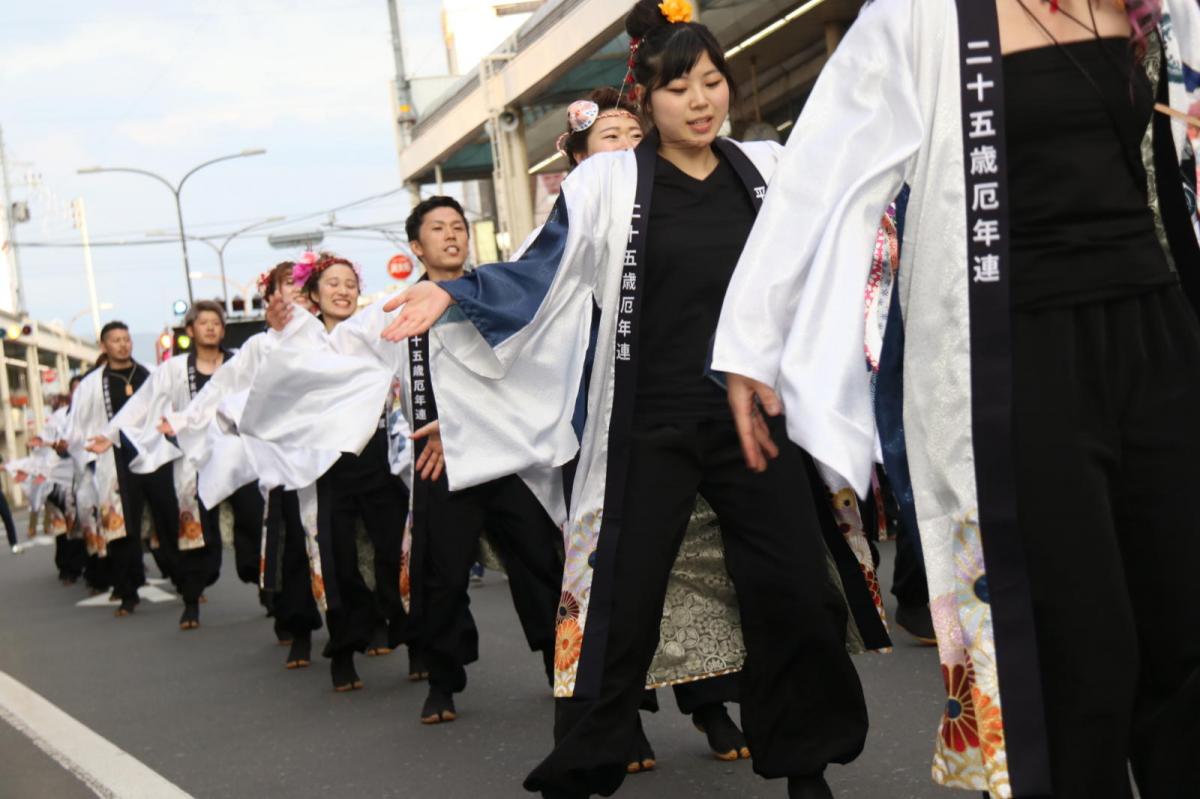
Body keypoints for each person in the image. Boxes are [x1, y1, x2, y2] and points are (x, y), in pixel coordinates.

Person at [377, 3, 889, 797]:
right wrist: (461, 292)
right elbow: (543, 272)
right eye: (679, 86)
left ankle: (806, 761)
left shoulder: (767, 170)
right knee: (619, 594)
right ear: (644, 101)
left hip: (754, 420)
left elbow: (832, 241)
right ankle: (584, 764)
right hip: (648, 423)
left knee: (791, 584)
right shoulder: (608, 183)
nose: (700, 100)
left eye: (713, 81)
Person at [713, 1, 1200, 797]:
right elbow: (824, 169)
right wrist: (751, 342)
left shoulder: (1157, 6)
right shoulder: (923, 17)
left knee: (1186, 625)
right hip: (1021, 358)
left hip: (1160, 335)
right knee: (1082, 647)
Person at [559, 86, 749, 771]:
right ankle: (613, 724)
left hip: (712, 405)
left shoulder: (707, 187)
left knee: (708, 569)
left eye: (627, 130)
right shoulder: (584, 206)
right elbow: (533, 302)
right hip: (615, 414)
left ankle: (713, 702)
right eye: (604, 136)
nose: (620, 143)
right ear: (581, 160)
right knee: (624, 576)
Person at [163, 262, 323, 663]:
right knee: (287, 548)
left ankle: (364, 623)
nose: (300, 295)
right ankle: (294, 623)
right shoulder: (259, 347)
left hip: (330, 458)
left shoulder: (336, 333)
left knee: (341, 545)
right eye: (291, 288)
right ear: (272, 298)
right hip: (274, 462)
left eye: (306, 287)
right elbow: (220, 390)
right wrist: (183, 420)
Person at [93, 300, 265, 630]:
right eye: (204, 323)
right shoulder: (173, 370)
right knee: (194, 533)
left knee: (255, 523)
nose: (211, 328)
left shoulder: (240, 363)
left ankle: (263, 585)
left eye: (217, 322)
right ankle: (191, 600)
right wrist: (109, 433)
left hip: (241, 458)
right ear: (190, 330)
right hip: (194, 462)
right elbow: (142, 402)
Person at [72, 321, 178, 617]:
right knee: (123, 529)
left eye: (126, 339)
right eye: (116, 340)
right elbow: (79, 423)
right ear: (104, 346)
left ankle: (184, 580)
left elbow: (168, 405)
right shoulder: (94, 383)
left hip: (153, 455)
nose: (123, 345)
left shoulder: (148, 373)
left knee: (168, 518)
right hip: (114, 461)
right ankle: (128, 592)